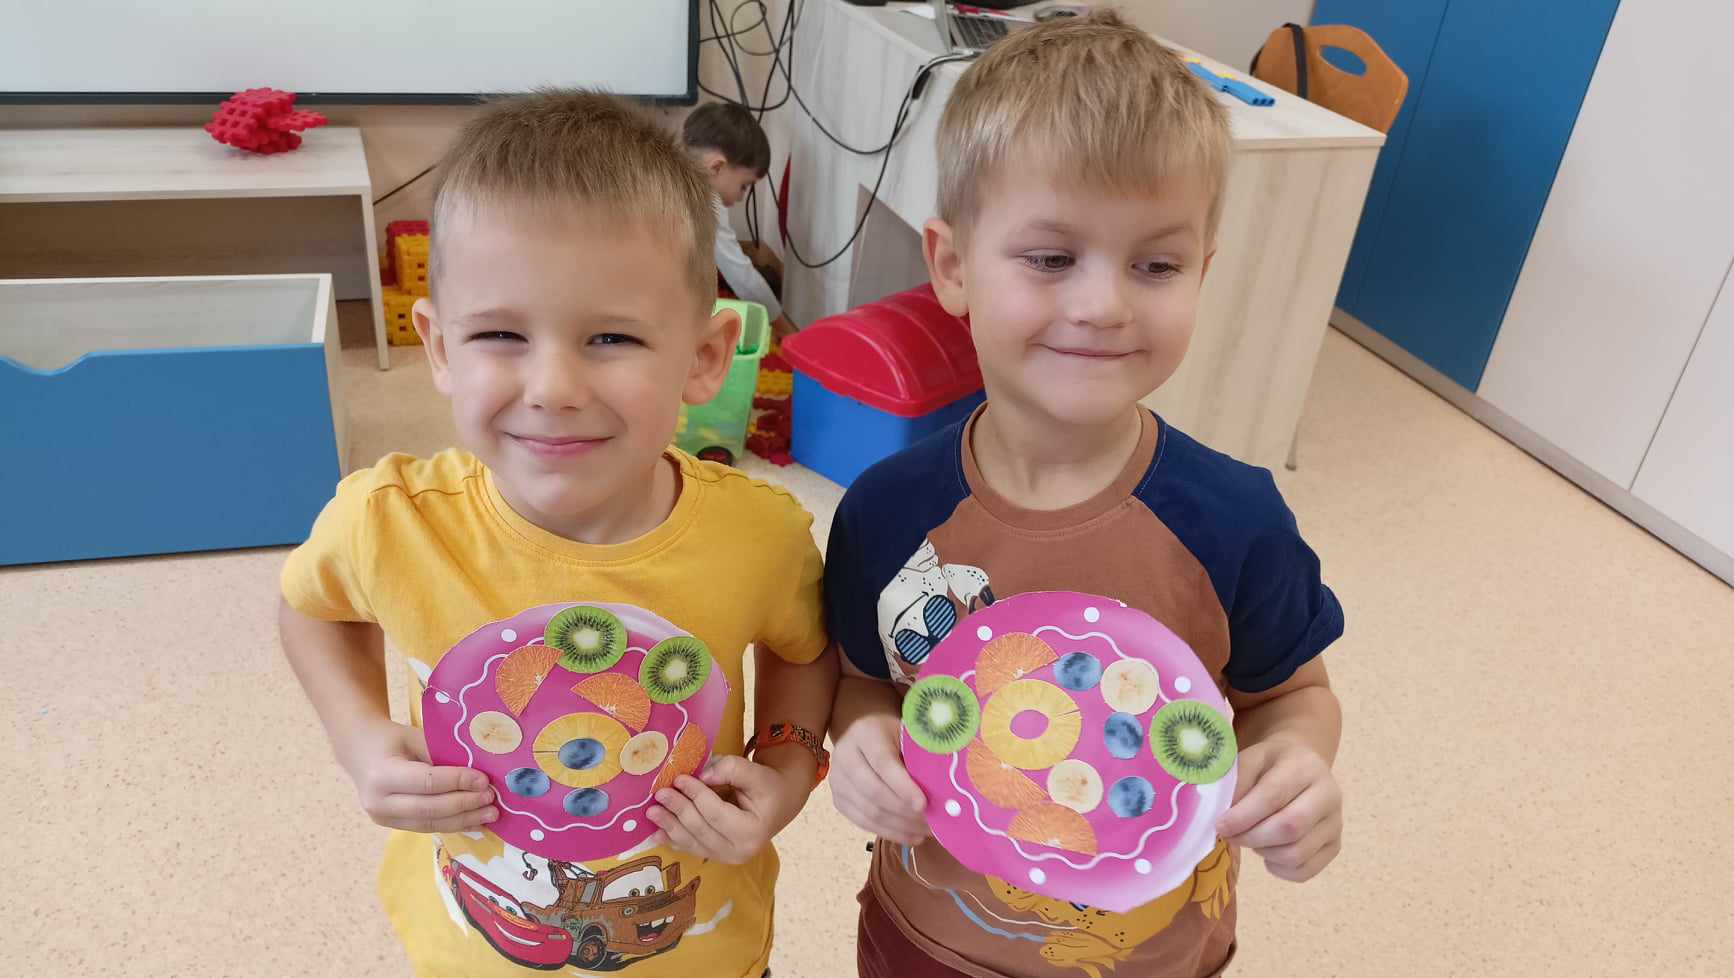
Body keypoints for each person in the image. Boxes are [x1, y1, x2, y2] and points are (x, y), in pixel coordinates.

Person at [823, 14, 1346, 978]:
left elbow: (1293, 695)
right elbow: (860, 678)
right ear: (952, 266)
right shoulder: (886, 513)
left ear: (1202, 270)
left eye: (1156, 265)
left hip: (1153, 955)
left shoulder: (1236, 521)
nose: (1104, 305)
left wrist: (1298, 768)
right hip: (925, 940)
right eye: (1052, 258)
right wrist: (861, 739)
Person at [279, 89, 836, 978]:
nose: (553, 389)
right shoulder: (389, 519)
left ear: (703, 358)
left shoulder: (760, 536)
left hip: (707, 955)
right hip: (466, 952)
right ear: (440, 349)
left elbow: (804, 652)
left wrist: (786, 772)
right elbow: (312, 608)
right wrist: (358, 737)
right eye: (501, 333)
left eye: (611, 338)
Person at [681, 100, 799, 339]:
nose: (740, 197)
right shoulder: (706, 201)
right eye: (744, 185)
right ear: (716, 167)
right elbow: (742, 276)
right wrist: (786, 329)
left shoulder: (668, 173)